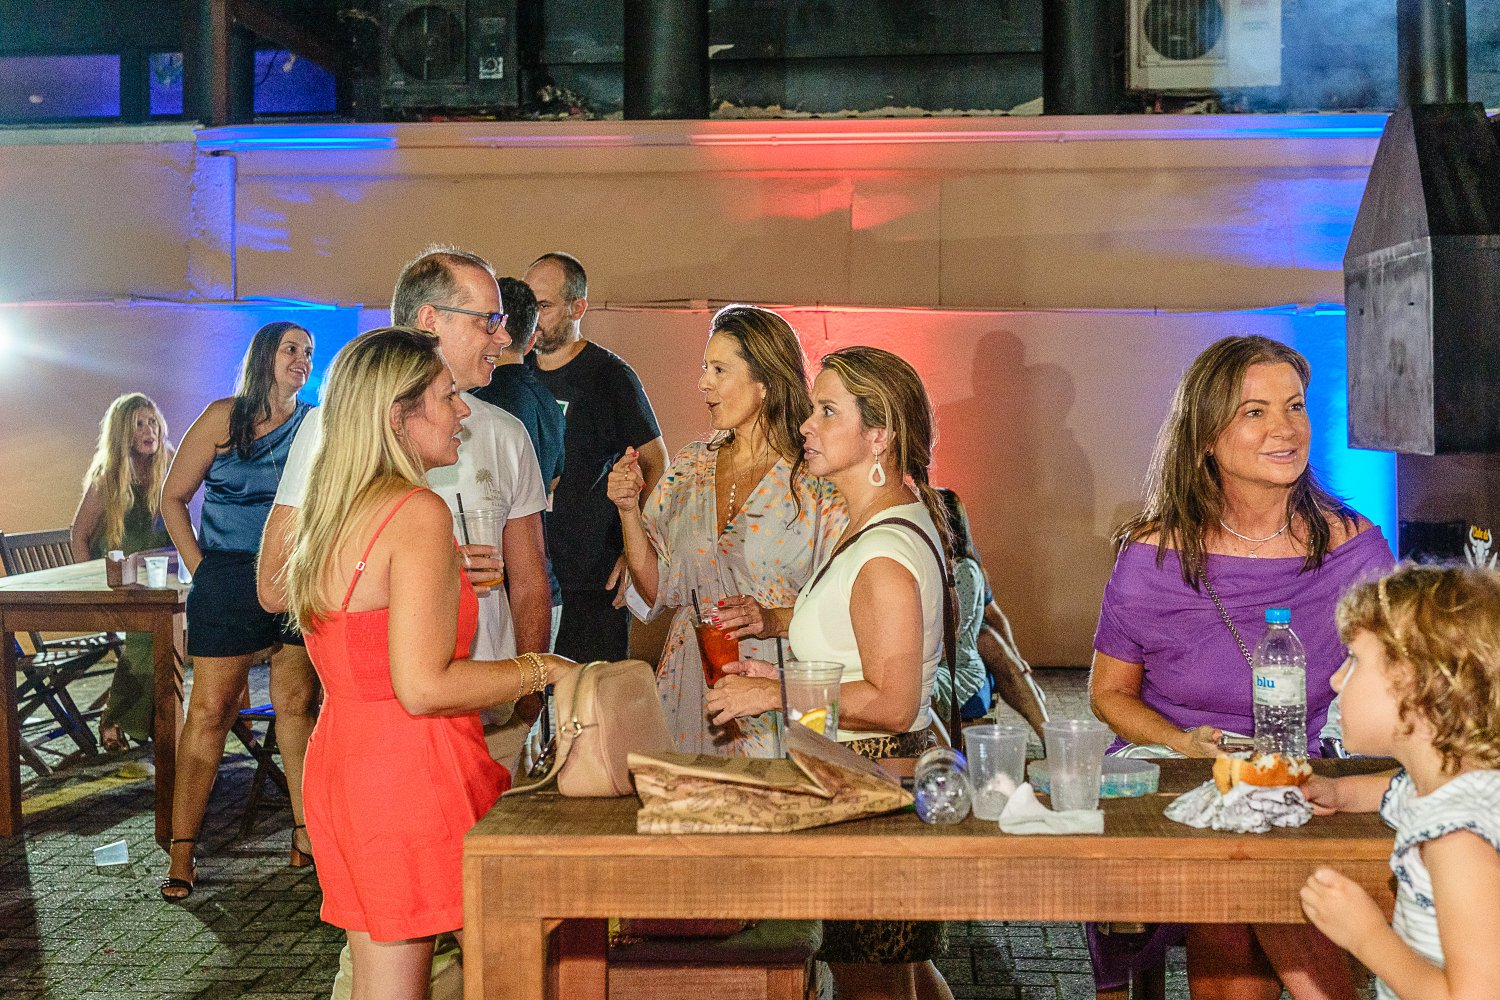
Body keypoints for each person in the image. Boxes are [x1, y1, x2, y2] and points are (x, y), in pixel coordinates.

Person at [265, 326, 578, 1000]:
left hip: (346, 761)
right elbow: (423, 685)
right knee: (520, 972)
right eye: (445, 397)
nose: (463, 410)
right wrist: (544, 669)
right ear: (397, 416)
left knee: (386, 984)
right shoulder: (417, 513)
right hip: (414, 769)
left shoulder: (336, 506)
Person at [1087, 335, 1394, 1000]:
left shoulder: (1357, 550)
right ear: (1205, 436)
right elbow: (1108, 694)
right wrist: (1181, 742)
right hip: (1179, 769)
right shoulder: (1153, 556)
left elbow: (1400, 685)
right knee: (1236, 885)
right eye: (1255, 412)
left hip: (1307, 767)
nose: (1285, 428)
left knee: (1268, 872)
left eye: (1294, 406)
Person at [705, 346, 953, 1000]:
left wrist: (772, 692)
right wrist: (777, 630)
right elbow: (854, 635)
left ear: (879, 436)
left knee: (872, 979)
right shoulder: (877, 526)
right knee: (897, 971)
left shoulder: (883, 552)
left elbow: (893, 701)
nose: (806, 425)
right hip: (866, 775)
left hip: (872, 782)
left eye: (827, 411)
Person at [262, 247, 552, 736]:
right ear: (431, 320)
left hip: (492, 707)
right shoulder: (334, 427)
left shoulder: (507, 433)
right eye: (489, 320)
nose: (504, 337)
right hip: (390, 717)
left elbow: (530, 583)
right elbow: (276, 584)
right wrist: (436, 571)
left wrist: (527, 697)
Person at [607, 304, 845, 755]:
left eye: (719, 370)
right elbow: (657, 590)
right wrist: (627, 511)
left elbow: (845, 608)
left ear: (765, 383)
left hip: (776, 679)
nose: (703, 383)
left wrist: (773, 618)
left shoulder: (815, 479)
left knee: (775, 792)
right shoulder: (691, 467)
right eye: (704, 368)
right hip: (692, 677)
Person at [159, 321, 321, 900]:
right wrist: (202, 568)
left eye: (308, 353)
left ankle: (304, 834)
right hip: (228, 576)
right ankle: (182, 850)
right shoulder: (222, 417)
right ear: (264, 356)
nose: (302, 359)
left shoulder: (316, 424)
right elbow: (172, 498)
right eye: (291, 349)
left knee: (297, 706)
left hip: (296, 577)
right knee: (209, 710)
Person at [1299, 564, 1500, 1000]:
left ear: (1413, 686)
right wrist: (1339, 792)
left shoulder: (1457, 838)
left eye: (1354, 661)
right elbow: (1397, 787)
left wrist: (1366, 935)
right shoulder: (1456, 781)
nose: (1336, 679)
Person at [524, 251, 668, 661]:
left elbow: (655, 461)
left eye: (544, 306)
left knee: (592, 693)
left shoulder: (609, 376)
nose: (533, 318)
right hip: (531, 569)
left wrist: (636, 549)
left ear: (578, 308)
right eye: (529, 305)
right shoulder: (517, 373)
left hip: (592, 576)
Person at [69, 393, 174, 750]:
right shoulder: (108, 477)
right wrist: (91, 586)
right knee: (150, 633)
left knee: (161, 629)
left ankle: (139, 718)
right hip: (118, 584)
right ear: (122, 434)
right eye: (138, 424)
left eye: (152, 422)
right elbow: (79, 535)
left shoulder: (167, 466)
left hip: (155, 580)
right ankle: (118, 718)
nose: (149, 430)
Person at [470, 276, 566, 647]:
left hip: (498, 586)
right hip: (543, 585)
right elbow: (553, 482)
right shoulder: (550, 403)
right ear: (530, 339)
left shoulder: (479, 402)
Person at [930, 488, 989, 729]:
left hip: (959, 667)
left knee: (921, 691)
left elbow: (950, 638)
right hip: (935, 662)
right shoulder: (933, 563)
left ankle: (942, 751)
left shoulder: (964, 570)